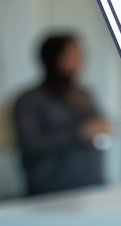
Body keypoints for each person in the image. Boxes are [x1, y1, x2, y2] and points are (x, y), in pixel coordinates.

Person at [12, 34, 111, 196]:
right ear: (53, 58)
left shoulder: (84, 94)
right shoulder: (29, 100)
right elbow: (30, 145)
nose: (79, 61)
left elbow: (97, 131)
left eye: (80, 55)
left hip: (91, 185)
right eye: (71, 55)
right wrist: (79, 133)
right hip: (50, 192)